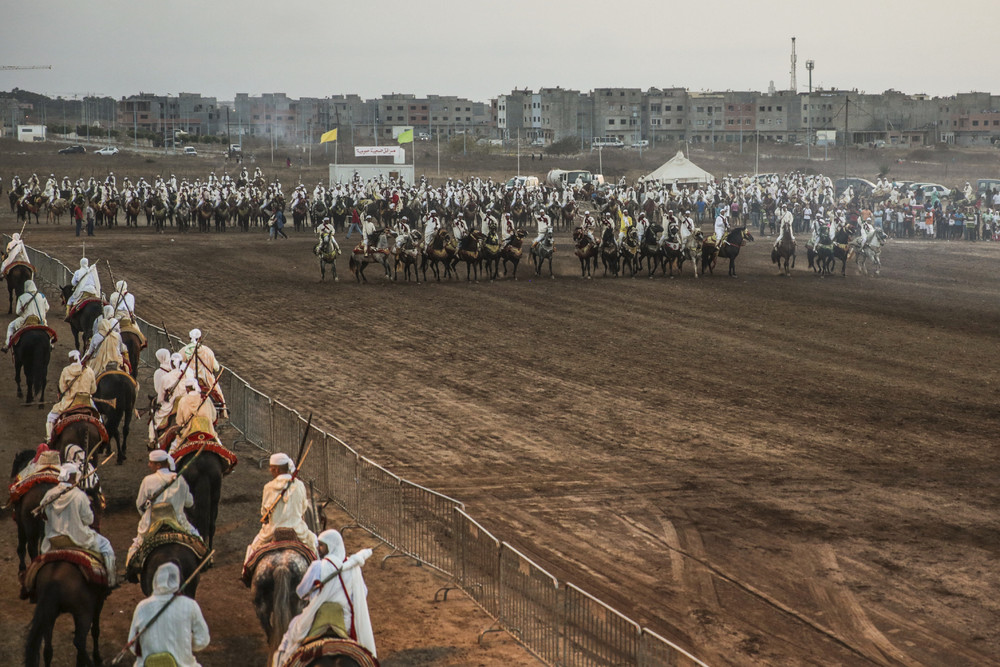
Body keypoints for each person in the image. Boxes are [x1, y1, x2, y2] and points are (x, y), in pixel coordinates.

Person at [271, 530, 375, 666]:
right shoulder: (353, 568)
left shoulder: (318, 567)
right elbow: (363, 593)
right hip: (346, 620)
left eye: (321, 546)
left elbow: (302, 592)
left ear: (330, 546)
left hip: (316, 616)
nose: (318, 549)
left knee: (290, 636)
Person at [40, 463, 117, 587]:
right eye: (75, 476)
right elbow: (89, 520)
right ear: (71, 477)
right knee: (106, 547)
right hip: (77, 539)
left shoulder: (49, 495)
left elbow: (44, 516)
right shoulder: (79, 496)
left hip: (53, 539)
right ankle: (111, 581)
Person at [127, 562, 210, 667]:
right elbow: (203, 640)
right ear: (177, 580)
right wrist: (185, 642)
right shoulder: (190, 605)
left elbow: (132, 645)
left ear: (156, 580)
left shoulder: (142, 607)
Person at [128, 450, 200, 564]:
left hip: (152, 523)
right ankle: (206, 562)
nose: (148, 465)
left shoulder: (148, 480)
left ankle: (130, 568)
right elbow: (189, 503)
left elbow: (139, 505)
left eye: (150, 463)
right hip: (178, 522)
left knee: (134, 550)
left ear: (158, 465)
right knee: (199, 542)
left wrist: (146, 517)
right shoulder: (179, 479)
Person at [244, 453, 318, 565]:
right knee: (315, 548)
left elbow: (264, 512)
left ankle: (245, 572)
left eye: (271, 468)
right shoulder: (300, 485)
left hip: (272, 531)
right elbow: (303, 509)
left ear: (276, 469)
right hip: (297, 530)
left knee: (252, 550)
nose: (270, 470)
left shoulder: (268, 487)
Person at [46, 350, 97, 441]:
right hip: (87, 402)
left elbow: (62, 389)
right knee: (99, 419)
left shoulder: (66, 370)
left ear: (70, 360)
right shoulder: (89, 370)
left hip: (69, 403)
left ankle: (49, 439)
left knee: (51, 417)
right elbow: (93, 390)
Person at [170, 378, 218, 453]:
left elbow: (179, 421)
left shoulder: (183, 400)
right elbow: (214, 417)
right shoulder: (206, 399)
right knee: (220, 446)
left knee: (173, 449)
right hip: (208, 431)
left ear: (187, 389)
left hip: (189, 431)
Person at [3, 279, 49, 352]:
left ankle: (7, 345)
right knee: (47, 330)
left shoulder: (22, 297)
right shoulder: (42, 296)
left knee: (11, 326)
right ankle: (50, 344)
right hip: (40, 320)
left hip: (25, 320)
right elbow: (47, 308)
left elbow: (18, 312)